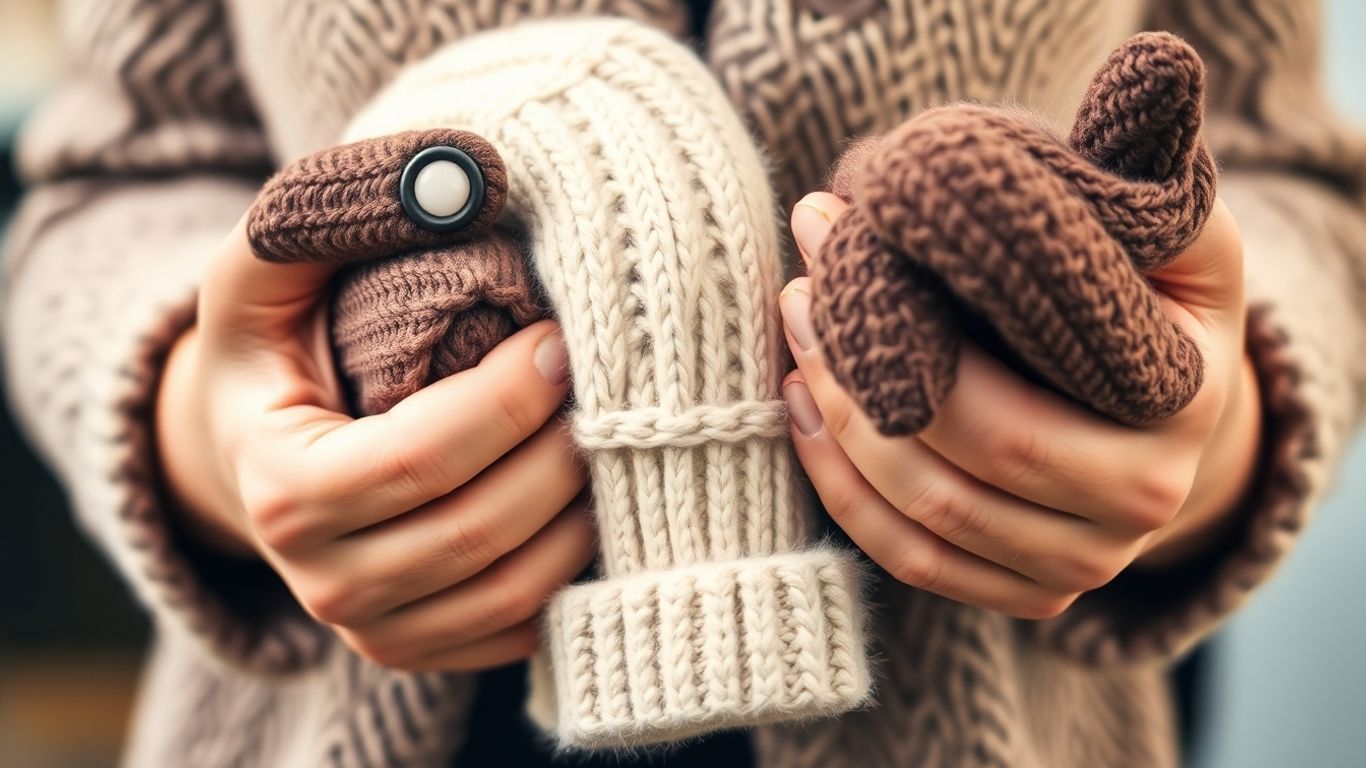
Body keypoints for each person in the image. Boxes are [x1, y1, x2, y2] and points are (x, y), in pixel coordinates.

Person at [3, 1, 1363, 766]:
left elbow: (1271, 159)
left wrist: (1207, 426)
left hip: (1010, 701)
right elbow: (120, 177)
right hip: (362, 709)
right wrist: (210, 428)